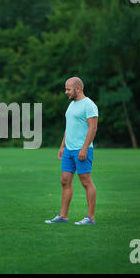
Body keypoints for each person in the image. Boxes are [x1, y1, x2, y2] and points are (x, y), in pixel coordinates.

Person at [45, 77, 99, 225]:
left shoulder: (89, 105)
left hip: (81, 150)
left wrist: (84, 148)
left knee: (86, 182)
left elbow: (93, 128)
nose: (66, 92)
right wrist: (63, 146)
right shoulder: (72, 105)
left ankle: (90, 217)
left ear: (78, 89)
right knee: (65, 181)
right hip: (69, 150)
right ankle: (63, 216)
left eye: (68, 89)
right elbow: (69, 127)